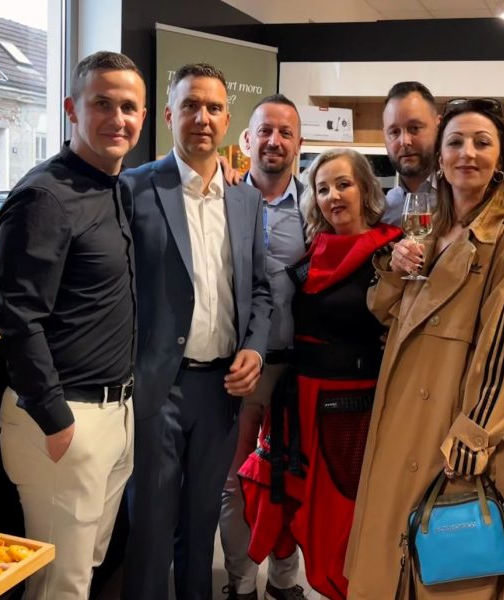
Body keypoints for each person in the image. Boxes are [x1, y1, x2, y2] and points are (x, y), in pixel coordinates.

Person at [345, 98, 504, 599]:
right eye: (455, 142)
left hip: (454, 432)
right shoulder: (431, 228)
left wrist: (471, 438)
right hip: (401, 422)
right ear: (440, 158)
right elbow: (386, 313)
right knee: (391, 559)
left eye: (482, 142)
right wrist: (394, 269)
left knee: (444, 571)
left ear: (501, 159)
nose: (467, 153)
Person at [0, 51, 146, 600]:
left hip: (115, 413)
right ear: (71, 109)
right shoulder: (44, 197)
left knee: (86, 569)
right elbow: (18, 319)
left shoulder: (115, 188)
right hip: (64, 420)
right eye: (102, 103)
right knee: (61, 585)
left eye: (128, 107)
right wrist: (56, 420)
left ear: (143, 116)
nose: (117, 118)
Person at [120, 63, 271, 600]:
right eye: (190, 106)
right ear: (168, 115)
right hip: (156, 388)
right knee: (150, 530)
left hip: (221, 392)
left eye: (213, 108)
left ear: (228, 121)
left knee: (202, 525)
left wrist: (255, 347)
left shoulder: (246, 199)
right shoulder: (134, 189)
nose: (202, 118)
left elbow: (259, 289)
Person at [239, 149, 402, 600]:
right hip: (299, 400)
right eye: (323, 188)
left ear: (366, 189)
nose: (333, 196)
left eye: (343, 184)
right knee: (286, 502)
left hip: (352, 410)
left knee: (341, 515)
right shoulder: (315, 249)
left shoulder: (393, 251)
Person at [219, 94, 307, 600]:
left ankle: (284, 580)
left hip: (298, 368)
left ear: (298, 143)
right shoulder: (223, 197)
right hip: (238, 368)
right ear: (247, 139)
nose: (274, 141)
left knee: (291, 479)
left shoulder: (316, 206)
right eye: (265, 131)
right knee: (235, 481)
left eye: (286, 133)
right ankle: (240, 583)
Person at [381, 81, 504, 283]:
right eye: (394, 132)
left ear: (438, 127)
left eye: (415, 128)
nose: (404, 141)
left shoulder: (472, 194)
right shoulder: (386, 207)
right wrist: (393, 268)